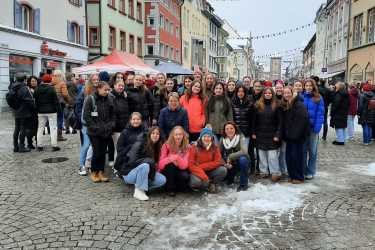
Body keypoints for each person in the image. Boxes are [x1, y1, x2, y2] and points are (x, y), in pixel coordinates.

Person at [115, 113, 166, 201]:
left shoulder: (157, 146)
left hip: (144, 170)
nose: (155, 135)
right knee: (145, 165)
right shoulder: (140, 142)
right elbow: (131, 161)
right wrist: (148, 161)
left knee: (162, 179)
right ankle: (139, 191)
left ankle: (141, 184)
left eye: (157, 134)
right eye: (153, 133)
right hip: (129, 171)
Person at [83, 81, 115, 183]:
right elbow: (87, 117)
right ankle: (94, 172)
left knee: (102, 152)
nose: (107, 92)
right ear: (99, 89)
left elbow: (113, 115)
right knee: (96, 152)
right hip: (94, 132)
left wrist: (111, 125)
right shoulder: (90, 99)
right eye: (105, 90)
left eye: (108, 90)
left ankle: (101, 172)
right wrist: (96, 128)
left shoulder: (110, 99)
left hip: (106, 131)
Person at [251, 87, 282, 182]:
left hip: (272, 134)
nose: (268, 95)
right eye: (266, 93)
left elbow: (280, 122)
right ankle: (263, 171)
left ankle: (275, 172)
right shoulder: (257, 105)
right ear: (263, 94)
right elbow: (254, 121)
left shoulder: (276, 105)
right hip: (260, 134)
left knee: (272, 155)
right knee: (262, 154)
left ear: (272, 95)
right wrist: (253, 132)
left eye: (270, 93)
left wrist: (278, 134)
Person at [281, 86, 310, 184]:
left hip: (297, 137)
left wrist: (294, 135)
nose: (286, 95)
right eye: (284, 93)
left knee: (297, 157)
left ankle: (299, 177)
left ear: (293, 93)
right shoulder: (287, 104)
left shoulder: (299, 104)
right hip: (290, 136)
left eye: (288, 93)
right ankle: (292, 175)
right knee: (289, 157)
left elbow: (302, 121)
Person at [188, 127, 227, 193]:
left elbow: (218, 161)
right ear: (201, 137)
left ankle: (212, 183)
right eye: (204, 136)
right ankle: (206, 185)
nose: (206, 138)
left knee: (223, 170)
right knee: (196, 182)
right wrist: (204, 177)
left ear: (211, 138)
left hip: (209, 170)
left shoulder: (214, 147)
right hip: (197, 171)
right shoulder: (194, 147)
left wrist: (201, 166)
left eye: (209, 136)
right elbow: (191, 165)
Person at [75, 74, 97, 176]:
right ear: (90, 81)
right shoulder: (84, 90)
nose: (96, 81)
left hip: (96, 123)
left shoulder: (100, 90)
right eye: (94, 79)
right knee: (86, 144)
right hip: (86, 123)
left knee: (94, 145)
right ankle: (81, 165)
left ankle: (90, 163)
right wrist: (82, 117)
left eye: (97, 79)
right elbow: (78, 105)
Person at [232, 85, 257, 175]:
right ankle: (239, 170)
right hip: (236, 133)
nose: (240, 93)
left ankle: (251, 169)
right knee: (238, 152)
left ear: (245, 93)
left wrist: (252, 132)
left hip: (247, 132)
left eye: (242, 91)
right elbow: (233, 118)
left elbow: (253, 120)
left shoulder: (250, 104)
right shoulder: (233, 103)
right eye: (239, 91)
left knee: (248, 151)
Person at [302, 79, 325, 179]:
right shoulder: (301, 97)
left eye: (310, 86)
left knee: (312, 151)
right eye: (306, 85)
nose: (308, 87)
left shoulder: (318, 98)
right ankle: (303, 170)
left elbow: (320, 114)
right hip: (302, 129)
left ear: (313, 86)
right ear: (304, 86)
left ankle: (310, 171)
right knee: (302, 151)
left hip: (312, 128)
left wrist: (317, 126)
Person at [158, 126, 190, 196]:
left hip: (180, 169)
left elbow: (184, 165)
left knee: (185, 176)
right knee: (171, 165)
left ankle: (177, 186)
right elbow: (160, 164)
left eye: (180, 134)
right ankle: (170, 189)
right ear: (173, 136)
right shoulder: (166, 145)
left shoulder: (187, 147)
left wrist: (177, 158)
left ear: (183, 135)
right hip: (167, 170)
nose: (178, 137)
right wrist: (172, 159)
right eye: (176, 134)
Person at [219, 122, 250, 191]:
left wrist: (230, 156)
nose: (229, 130)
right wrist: (225, 163)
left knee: (243, 159)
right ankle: (230, 178)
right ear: (224, 130)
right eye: (227, 129)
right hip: (229, 163)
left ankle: (243, 184)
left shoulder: (241, 137)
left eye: (231, 128)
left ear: (235, 129)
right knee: (229, 182)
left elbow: (244, 151)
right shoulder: (222, 139)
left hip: (241, 161)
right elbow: (218, 155)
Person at [34, 74, 60, 151]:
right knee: (53, 128)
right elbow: (56, 101)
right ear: (50, 80)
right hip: (51, 111)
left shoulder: (37, 89)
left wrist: (37, 109)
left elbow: (35, 100)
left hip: (40, 111)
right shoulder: (52, 89)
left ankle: (39, 145)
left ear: (42, 80)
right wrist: (58, 110)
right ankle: (54, 145)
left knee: (40, 128)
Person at [11, 73, 36, 153]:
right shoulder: (23, 87)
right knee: (23, 128)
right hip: (23, 111)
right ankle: (22, 146)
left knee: (16, 128)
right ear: (24, 79)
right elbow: (28, 100)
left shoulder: (13, 86)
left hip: (16, 110)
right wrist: (33, 105)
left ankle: (15, 146)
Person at [111, 78, 130, 162]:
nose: (121, 87)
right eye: (119, 85)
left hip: (125, 126)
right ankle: (116, 167)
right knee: (118, 147)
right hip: (116, 127)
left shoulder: (124, 96)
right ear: (114, 86)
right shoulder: (111, 96)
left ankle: (121, 165)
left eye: (122, 86)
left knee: (124, 147)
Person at [52, 69, 70, 141]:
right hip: (60, 103)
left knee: (53, 120)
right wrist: (68, 101)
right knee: (60, 119)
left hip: (52, 103)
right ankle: (59, 135)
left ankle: (53, 135)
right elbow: (65, 94)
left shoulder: (51, 82)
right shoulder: (62, 83)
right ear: (60, 75)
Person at [26, 75, 39, 150]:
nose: (34, 82)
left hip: (37, 111)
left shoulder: (38, 89)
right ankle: (29, 143)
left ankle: (38, 142)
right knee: (30, 129)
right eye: (32, 81)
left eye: (35, 81)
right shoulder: (28, 90)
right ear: (29, 82)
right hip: (30, 112)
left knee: (38, 127)